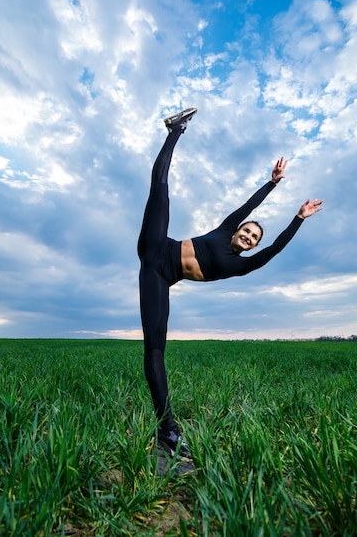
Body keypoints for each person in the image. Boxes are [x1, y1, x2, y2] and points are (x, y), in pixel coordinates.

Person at [137, 108, 323, 459]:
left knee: (155, 349)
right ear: (239, 229)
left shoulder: (242, 266)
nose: (250, 237)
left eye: (254, 238)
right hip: (157, 244)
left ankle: (168, 428)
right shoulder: (225, 229)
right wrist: (272, 183)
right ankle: (175, 130)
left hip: (158, 276)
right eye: (248, 231)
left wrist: (298, 218)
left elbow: (276, 248)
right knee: (160, 188)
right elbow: (248, 205)